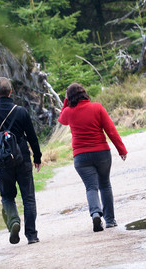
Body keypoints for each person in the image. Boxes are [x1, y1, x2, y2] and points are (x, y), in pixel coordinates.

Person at [58, 83, 127, 232]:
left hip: (81, 157)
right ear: (84, 93)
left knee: (91, 187)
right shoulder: (97, 107)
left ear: (70, 98)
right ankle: (109, 220)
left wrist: (66, 100)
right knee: (105, 185)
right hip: (101, 152)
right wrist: (121, 149)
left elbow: (61, 120)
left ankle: (96, 213)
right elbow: (111, 130)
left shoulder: (69, 111)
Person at [0, 77, 42, 244]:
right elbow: (32, 137)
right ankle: (32, 235)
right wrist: (37, 157)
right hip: (22, 158)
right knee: (28, 197)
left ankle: (14, 221)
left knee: (7, 196)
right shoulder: (21, 111)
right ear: (11, 91)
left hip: (3, 162)